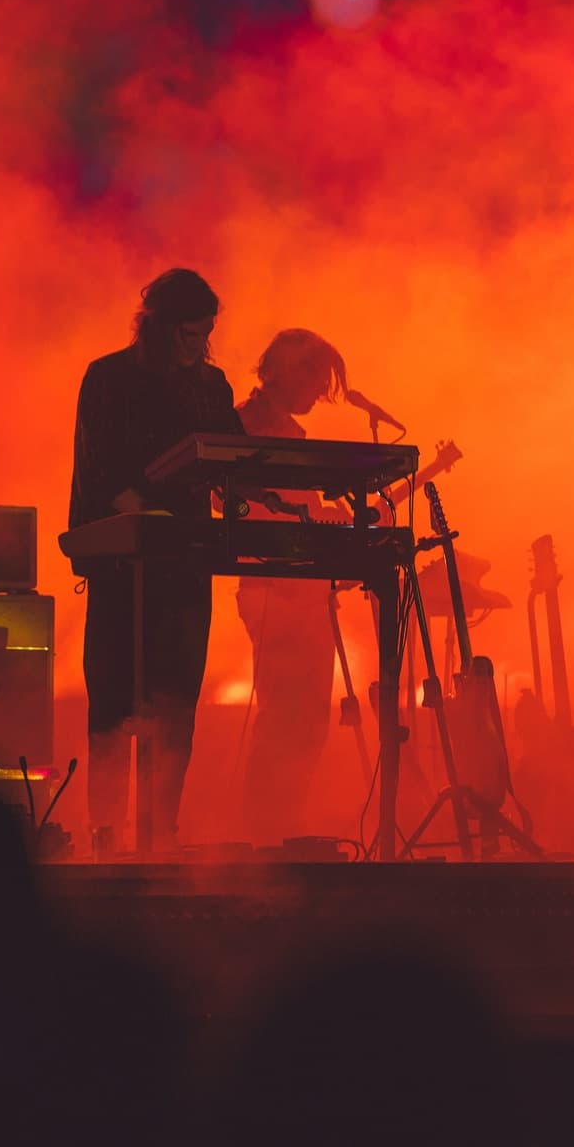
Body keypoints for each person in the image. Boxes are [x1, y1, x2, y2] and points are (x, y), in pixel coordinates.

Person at [69, 268, 244, 851]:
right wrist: (147, 517)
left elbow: (236, 459)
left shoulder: (209, 386)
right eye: (191, 334)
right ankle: (106, 831)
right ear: (159, 326)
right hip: (122, 562)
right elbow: (99, 473)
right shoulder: (108, 378)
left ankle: (161, 829)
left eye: (206, 334)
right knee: (113, 699)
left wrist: (264, 496)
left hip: (185, 562)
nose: (200, 346)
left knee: (176, 701)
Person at [235, 329, 350, 842]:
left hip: (305, 588)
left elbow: (300, 510)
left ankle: (285, 825)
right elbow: (230, 500)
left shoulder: (290, 432)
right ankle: (266, 829)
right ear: (285, 371)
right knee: (285, 713)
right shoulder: (244, 424)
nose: (321, 392)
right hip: (272, 587)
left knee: (309, 719)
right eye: (317, 380)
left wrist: (327, 523)